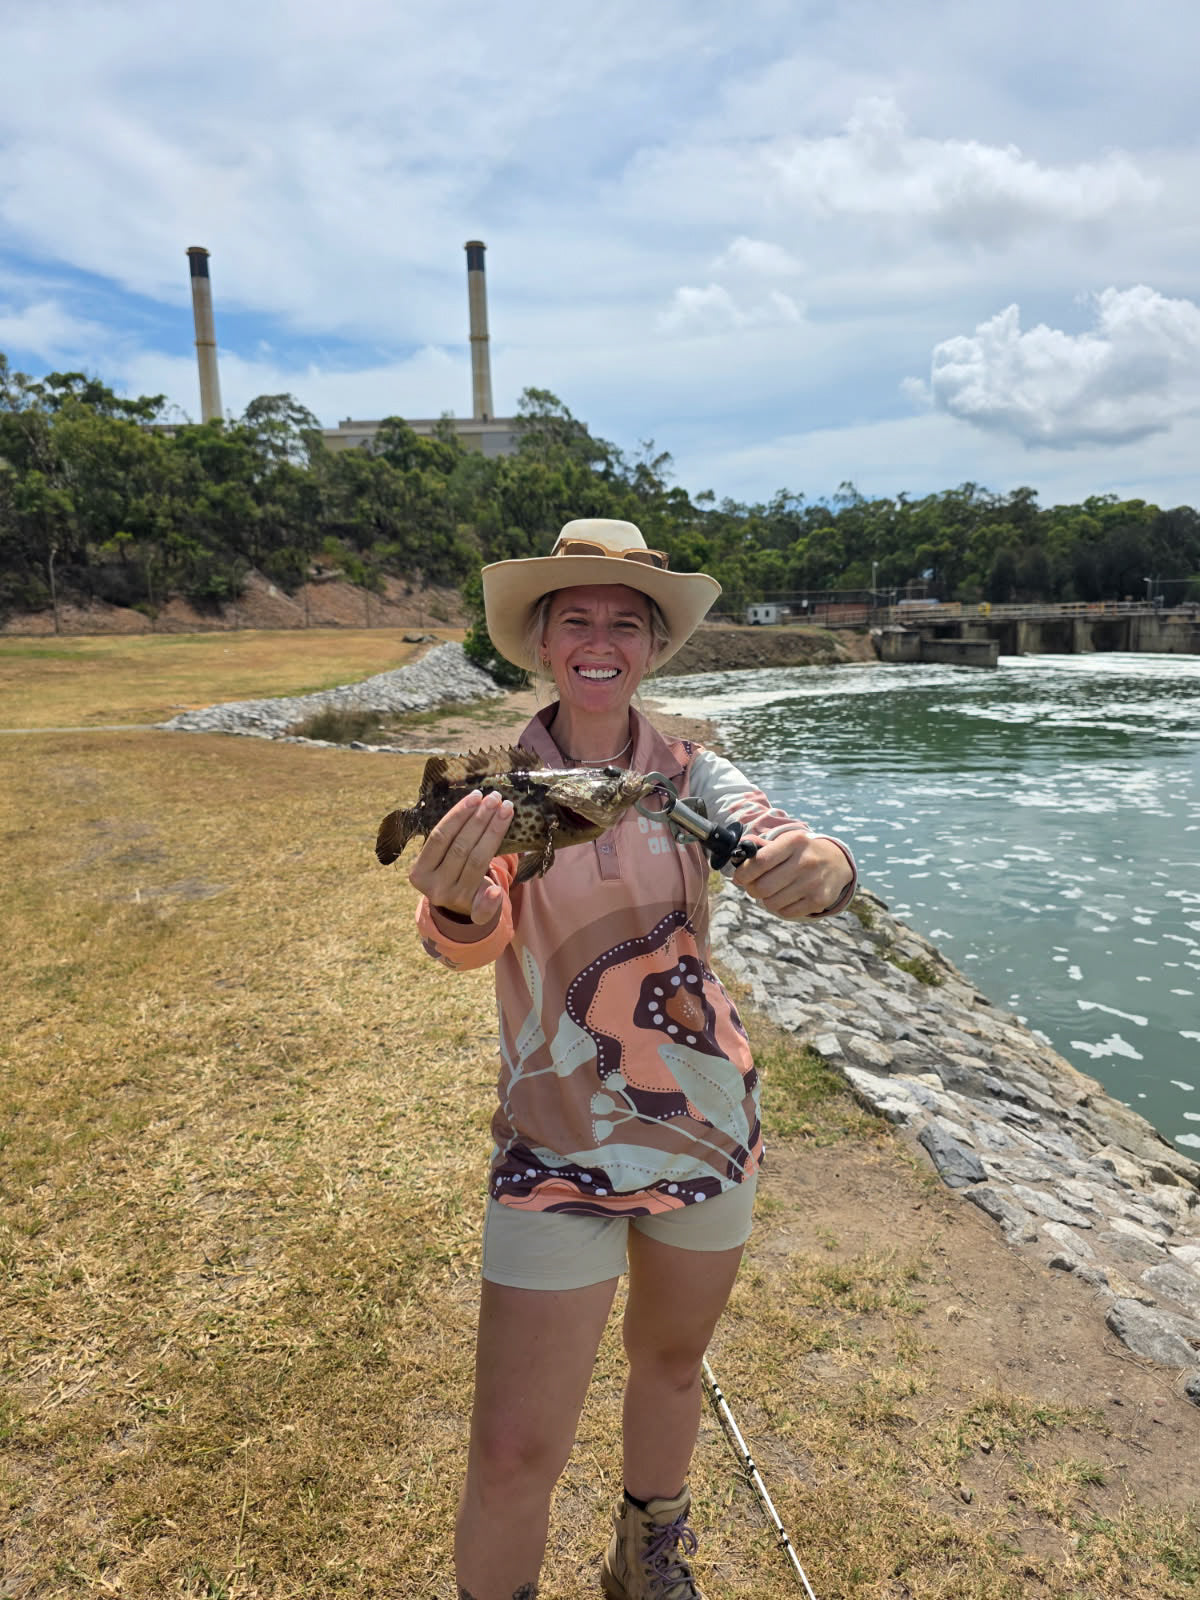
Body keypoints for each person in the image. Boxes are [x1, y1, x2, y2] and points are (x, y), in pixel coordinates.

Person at [408, 519, 857, 1600]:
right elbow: (462, 938)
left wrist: (825, 869)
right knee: (514, 1449)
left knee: (669, 1367)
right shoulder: (501, 786)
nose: (600, 639)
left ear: (652, 647)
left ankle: (645, 1563)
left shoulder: (693, 777)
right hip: (553, 1144)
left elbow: (787, 846)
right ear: (543, 643)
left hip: (705, 1131)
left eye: (625, 621)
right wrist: (456, 894)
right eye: (577, 619)